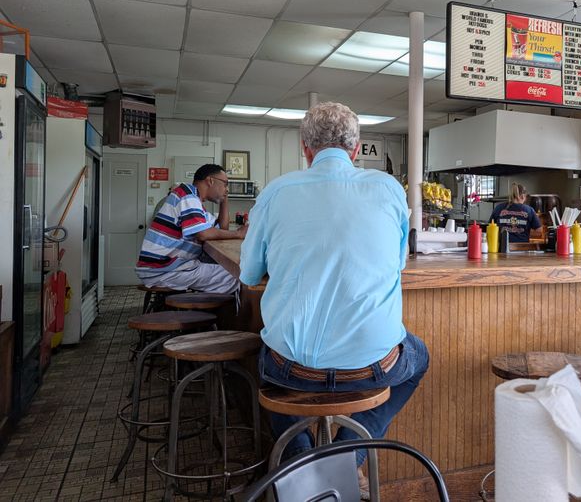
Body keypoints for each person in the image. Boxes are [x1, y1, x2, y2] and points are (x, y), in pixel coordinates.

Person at [240, 102, 428, 493]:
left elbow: (249, 274)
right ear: (357, 149)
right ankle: (348, 455)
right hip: (375, 365)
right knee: (418, 358)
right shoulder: (389, 188)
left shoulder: (277, 191)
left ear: (305, 149)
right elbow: (398, 264)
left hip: (292, 368)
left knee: (268, 370)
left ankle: (304, 474)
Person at [136, 164, 246, 294]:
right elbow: (203, 234)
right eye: (225, 184)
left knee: (227, 270)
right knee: (239, 276)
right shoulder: (187, 194)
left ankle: (208, 310)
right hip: (165, 270)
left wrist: (224, 199)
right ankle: (221, 313)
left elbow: (222, 228)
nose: (227, 189)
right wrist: (239, 233)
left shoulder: (196, 204)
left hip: (167, 268)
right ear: (210, 181)